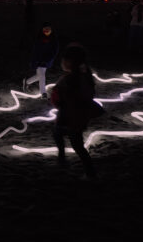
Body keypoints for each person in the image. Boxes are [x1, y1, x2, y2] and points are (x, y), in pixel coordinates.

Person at [50, 44, 97, 179]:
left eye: (64, 60)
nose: (61, 62)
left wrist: (56, 94)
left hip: (70, 115)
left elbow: (59, 98)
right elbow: (89, 95)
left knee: (75, 143)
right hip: (79, 116)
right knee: (62, 134)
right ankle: (64, 159)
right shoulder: (85, 76)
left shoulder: (70, 80)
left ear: (70, 62)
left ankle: (89, 172)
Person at [24, 23, 59, 98]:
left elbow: (55, 51)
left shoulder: (53, 39)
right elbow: (35, 50)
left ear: (51, 30)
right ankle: (43, 93)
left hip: (46, 60)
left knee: (39, 75)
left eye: (48, 29)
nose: (46, 31)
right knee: (42, 75)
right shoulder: (39, 38)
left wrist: (49, 59)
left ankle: (27, 81)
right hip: (38, 60)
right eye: (45, 29)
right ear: (42, 30)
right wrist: (34, 60)